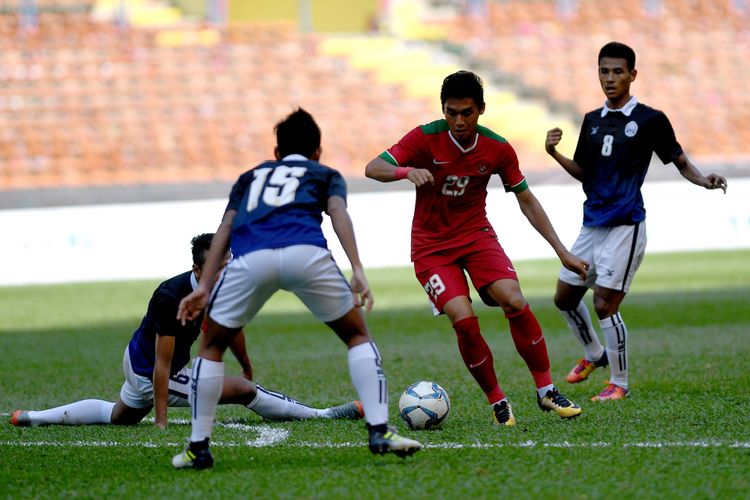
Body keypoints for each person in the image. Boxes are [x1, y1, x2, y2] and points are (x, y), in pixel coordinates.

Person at [172, 109, 422, 470]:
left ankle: (198, 448)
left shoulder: (248, 177)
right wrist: (357, 269)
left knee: (211, 348)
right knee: (356, 335)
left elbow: (225, 228)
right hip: (306, 252)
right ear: (317, 152)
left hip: (250, 258)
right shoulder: (325, 174)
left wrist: (205, 285)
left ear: (276, 152)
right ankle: (380, 429)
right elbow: (338, 214)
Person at [365, 70, 588, 426]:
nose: (458, 121)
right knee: (464, 321)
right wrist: (405, 172)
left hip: (476, 236)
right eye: (451, 112)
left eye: (466, 112)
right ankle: (498, 401)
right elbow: (372, 168)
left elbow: (527, 200)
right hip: (431, 248)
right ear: (443, 110)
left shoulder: (497, 147)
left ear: (481, 109)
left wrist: (562, 251)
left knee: (514, 300)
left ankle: (546, 391)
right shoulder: (424, 138)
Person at [10, 233, 363, 428]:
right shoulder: (170, 298)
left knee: (120, 417)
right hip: (151, 369)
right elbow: (162, 364)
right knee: (244, 391)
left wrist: (246, 361)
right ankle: (323, 414)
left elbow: (229, 325)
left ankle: (32, 418)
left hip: (146, 361)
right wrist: (162, 421)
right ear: (197, 267)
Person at [544, 41, 728, 401]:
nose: (610, 79)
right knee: (564, 297)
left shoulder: (650, 120)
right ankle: (594, 353)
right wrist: (554, 153)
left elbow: (678, 160)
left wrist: (704, 180)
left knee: (604, 304)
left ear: (632, 74)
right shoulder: (592, 121)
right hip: (592, 223)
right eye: (604, 71)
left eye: (617, 71)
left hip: (626, 225)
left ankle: (619, 382)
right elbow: (584, 172)